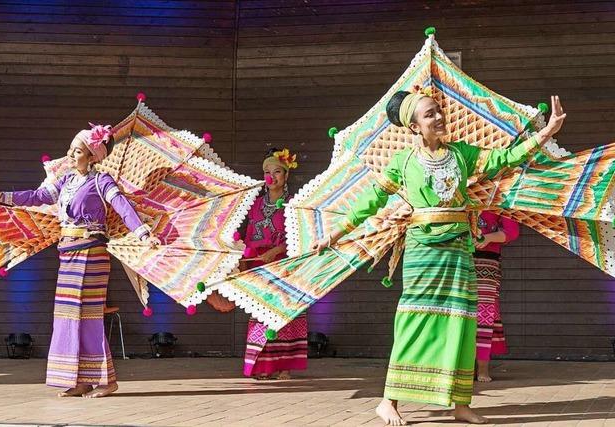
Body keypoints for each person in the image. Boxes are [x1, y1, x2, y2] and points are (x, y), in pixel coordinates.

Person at [314, 90, 565, 425]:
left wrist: (545, 133)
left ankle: (460, 403)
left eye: (438, 111)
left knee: (460, 323)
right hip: (423, 251)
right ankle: (389, 400)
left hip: (460, 248)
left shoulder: (462, 153)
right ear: (415, 126)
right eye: (430, 114)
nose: (439, 117)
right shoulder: (402, 162)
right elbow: (371, 200)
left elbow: (506, 158)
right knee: (415, 322)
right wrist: (335, 233)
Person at [0, 124, 160, 398]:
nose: (71, 155)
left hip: (92, 254)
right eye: (71, 150)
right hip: (68, 254)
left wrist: (143, 233)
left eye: (77, 151)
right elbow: (37, 197)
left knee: (89, 318)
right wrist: (0, 197)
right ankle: (80, 380)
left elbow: (122, 206)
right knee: (67, 317)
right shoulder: (66, 181)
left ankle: (106, 381)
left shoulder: (102, 182)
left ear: (92, 156)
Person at [241, 148, 308, 380]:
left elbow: (300, 237)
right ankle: (262, 367)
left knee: (283, 314)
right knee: (260, 314)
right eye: (267, 172)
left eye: (277, 171)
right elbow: (249, 234)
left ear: (286, 175)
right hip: (258, 266)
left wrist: (278, 250)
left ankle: (284, 367)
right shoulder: (255, 204)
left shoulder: (293, 204)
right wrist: (244, 260)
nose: (272, 176)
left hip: (284, 266)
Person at [474, 211, 519, 382]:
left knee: (484, 315)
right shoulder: (457, 194)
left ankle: (483, 369)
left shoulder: (500, 199)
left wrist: (488, 238)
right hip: (458, 260)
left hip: (487, 262)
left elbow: (512, 231)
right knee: (458, 314)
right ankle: (462, 367)